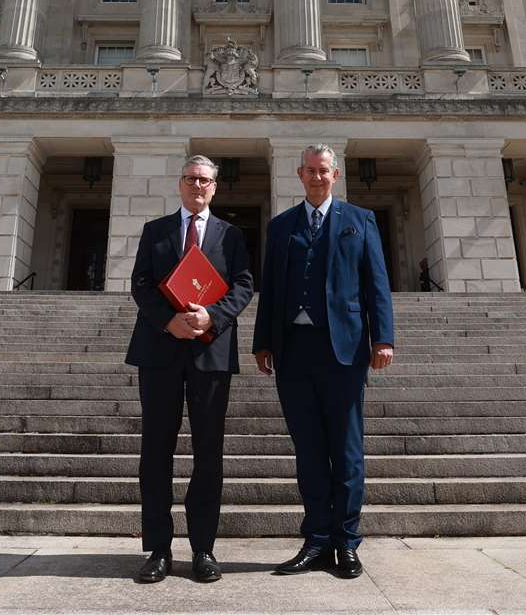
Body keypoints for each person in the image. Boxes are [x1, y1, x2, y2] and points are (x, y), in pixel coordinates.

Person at [253, 144, 395, 580]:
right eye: (310, 171)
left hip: (345, 350)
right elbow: (271, 289)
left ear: (336, 174)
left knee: (347, 450)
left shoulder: (360, 221)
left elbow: (377, 284)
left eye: (324, 171)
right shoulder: (280, 226)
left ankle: (347, 541)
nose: (317, 177)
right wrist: (263, 342)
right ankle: (316, 539)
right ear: (300, 174)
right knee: (309, 451)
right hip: (294, 349)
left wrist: (383, 338)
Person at [124, 154, 254, 585]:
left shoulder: (231, 234)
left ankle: (204, 548)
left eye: (205, 180)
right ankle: (158, 549)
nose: (197, 186)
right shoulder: (155, 231)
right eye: (190, 179)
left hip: (209, 352)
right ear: (180, 184)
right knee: (155, 451)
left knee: (209, 453)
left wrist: (211, 317)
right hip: (160, 349)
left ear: (215, 187)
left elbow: (244, 284)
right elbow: (140, 283)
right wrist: (169, 320)